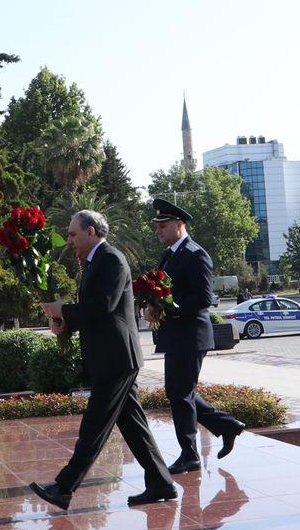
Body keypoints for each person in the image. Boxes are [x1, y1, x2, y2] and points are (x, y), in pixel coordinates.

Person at [30, 210, 176, 511]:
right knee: (134, 426)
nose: (69, 240)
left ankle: (64, 487)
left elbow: (104, 305)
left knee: (94, 425)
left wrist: (63, 310)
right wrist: (65, 324)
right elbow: (93, 311)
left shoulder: (111, 259)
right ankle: (161, 482)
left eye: (73, 234)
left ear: (91, 232)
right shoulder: (94, 263)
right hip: (112, 357)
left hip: (116, 358)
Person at [147, 197, 245, 473]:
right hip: (176, 334)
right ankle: (225, 424)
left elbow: (203, 299)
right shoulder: (170, 255)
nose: (158, 230)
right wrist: (153, 305)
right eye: (157, 225)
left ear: (179, 224)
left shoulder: (195, 254)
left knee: (180, 393)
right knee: (178, 392)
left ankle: (190, 454)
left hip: (190, 334)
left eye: (163, 225)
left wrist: (165, 309)